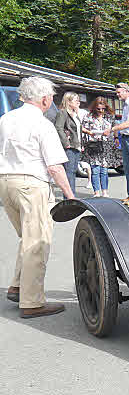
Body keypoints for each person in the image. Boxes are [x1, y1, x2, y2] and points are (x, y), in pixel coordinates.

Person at [0, 76, 76, 318]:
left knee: (27, 236)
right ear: (44, 99)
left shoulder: (5, 119)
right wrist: (70, 195)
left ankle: (18, 286)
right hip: (31, 184)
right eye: (51, 98)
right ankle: (32, 303)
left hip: (5, 181)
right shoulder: (42, 124)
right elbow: (54, 166)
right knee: (37, 241)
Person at [81, 97, 113, 197]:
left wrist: (115, 137)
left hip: (105, 145)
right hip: (94, 144)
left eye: (103, 109)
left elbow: (114, 128)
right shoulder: (89, 116)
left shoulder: (109, 116)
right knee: (95, 169)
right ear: (95, 108)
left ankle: (105, 191)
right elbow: (82, 127)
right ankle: (96, 192)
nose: (101, 111)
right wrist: (89, 132)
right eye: (99, 109)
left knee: (104, 170)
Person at [54, 91, 82, 194]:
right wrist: (66, 143)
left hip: (76, 146)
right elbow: (58, 128)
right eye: (76, 100)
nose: (79, 102)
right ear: (68, 102)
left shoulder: (75, 114)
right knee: (69, 173)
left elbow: (78, 131)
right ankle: (69, 197)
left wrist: (80, 144)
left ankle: (71, 195)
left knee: (73, 172)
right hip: (69, 147)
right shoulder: (62, 113)